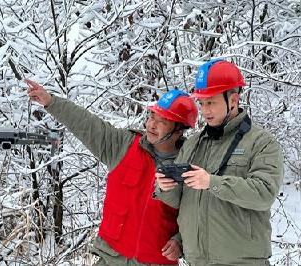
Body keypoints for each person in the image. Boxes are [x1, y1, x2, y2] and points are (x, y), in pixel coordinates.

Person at [26, 79, 198, 266]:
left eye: (162, 121)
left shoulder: (190, 167)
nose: (151, 125)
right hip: (111, 258)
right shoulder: (124, 145)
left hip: (155, 261)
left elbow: (198, 216)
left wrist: (180, 241)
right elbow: (87, 124)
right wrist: (51, 102)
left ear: (179, 130)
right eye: (151, 117)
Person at [154, 59, 284, 266]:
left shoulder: (261, 142)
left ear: (233, 100)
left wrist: (211, 182)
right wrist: (165, 187)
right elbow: (185, 203)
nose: (205, 111)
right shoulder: (193, 144)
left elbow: (264, 194)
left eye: (211, 102)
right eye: (202, 103)